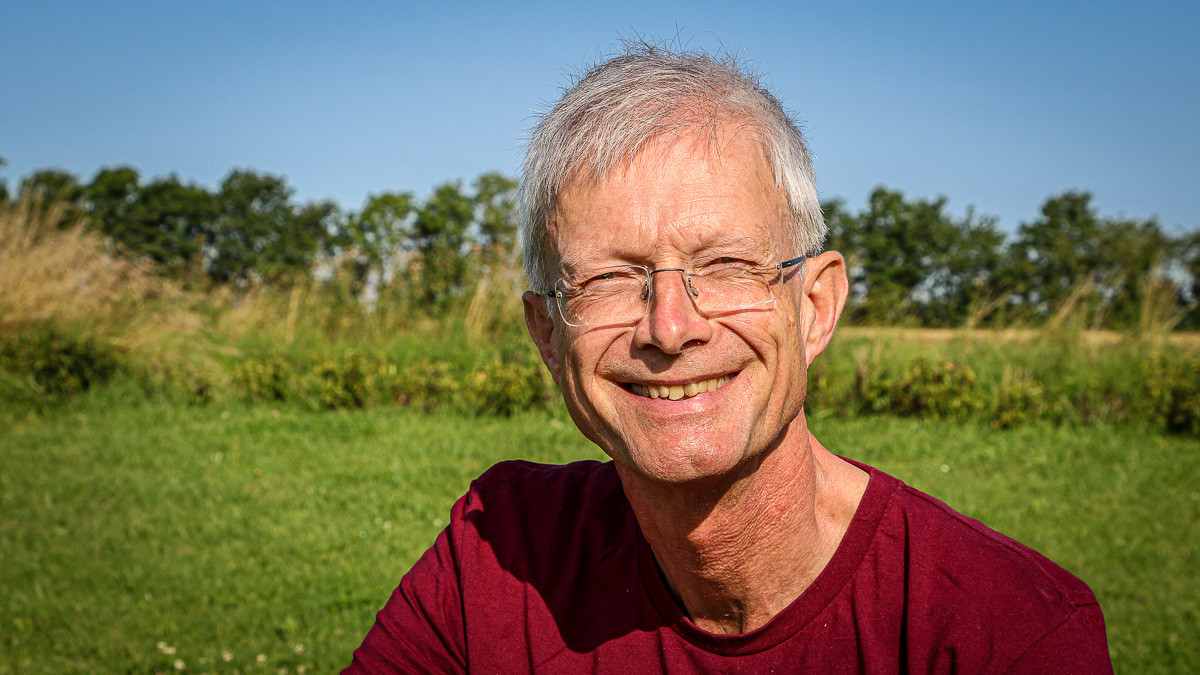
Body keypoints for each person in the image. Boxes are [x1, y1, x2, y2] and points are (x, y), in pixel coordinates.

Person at [346, 45, 1111, 673]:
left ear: (814, 306)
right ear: (547, 333)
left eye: (726, 265)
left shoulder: (1005, 634)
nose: (670, 328)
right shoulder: (498, 558)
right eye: (612, 277)